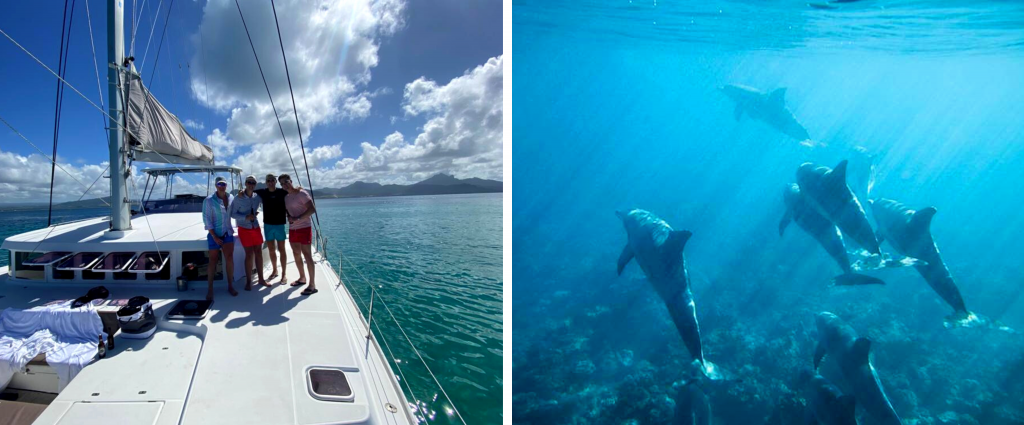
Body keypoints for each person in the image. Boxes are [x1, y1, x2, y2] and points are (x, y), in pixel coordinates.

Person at [279, 174, 318, 295]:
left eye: (286, 182)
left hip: (304, 228)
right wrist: (290, 218)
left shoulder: (302, 193)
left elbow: (312, 209)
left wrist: (298, 218)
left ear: (291, 181)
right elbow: (290, 212)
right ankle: (302, 278)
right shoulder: (287, 197)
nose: (285, 185)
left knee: (307, 255)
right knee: (296, 254)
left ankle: (312, 285)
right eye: (282, 183)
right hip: (293, 229)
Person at [231, 175, 269, 290]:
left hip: (255, 227)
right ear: (245, 183)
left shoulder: (257, 197)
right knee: (249, 254)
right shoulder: (238, 198)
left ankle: (261, 279)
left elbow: (268, 198)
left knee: (258, 252)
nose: (251, 184)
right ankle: (248, 281)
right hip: (244, 228)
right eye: (249, 182)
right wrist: (245, 217)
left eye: (253, 183)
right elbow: (233, 214)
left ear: (255, 185)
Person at [202, 176, 237, 300]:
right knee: (212, 261)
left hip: (227, 233)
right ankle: (210, 289)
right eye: (219, 184)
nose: (222, 186)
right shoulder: (209, 200)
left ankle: (230, 286)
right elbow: (206, 219)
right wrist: (214, 236)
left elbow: (235, 211)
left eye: (224, 184)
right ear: (216, 186)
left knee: (229, 259)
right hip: (214, 234)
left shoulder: (231, 198)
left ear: (226, 185)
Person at [254, 173, 288, 284]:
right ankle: (275, 270)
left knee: (282, 250)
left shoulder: (282, 192)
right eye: (268, 180)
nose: (270, 182)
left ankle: (284, 274)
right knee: (271, 249)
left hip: (279, 225)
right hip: (268, 225)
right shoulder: (262, 192)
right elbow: (249, 192)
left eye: (272, 180)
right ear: (266, 182)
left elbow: (293, 192)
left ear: (276, 181)